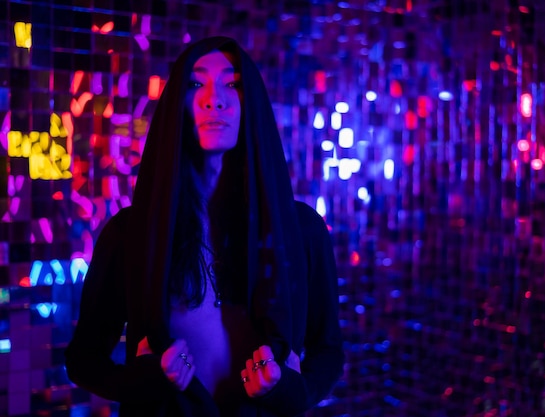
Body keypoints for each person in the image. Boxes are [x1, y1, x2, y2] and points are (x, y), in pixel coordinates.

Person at [64, 36, 344, 417]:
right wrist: (144, 381)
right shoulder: (130, 235)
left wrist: (292, 391)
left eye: (233, 84)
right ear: (176, 104)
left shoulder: (302, 231)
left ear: (252, 105)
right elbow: (83, 359)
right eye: (196, 84)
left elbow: (327, 350)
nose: (215, 99)